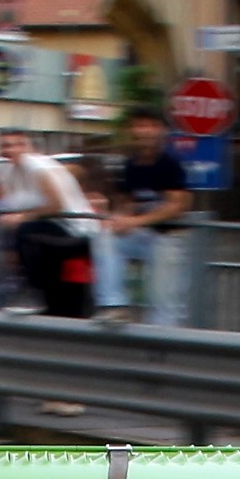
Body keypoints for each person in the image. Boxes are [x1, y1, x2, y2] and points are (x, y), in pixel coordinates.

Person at [97, 107, 193, 327]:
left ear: (160, 131)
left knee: (163, 301)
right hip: (143, 235)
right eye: (139, 125)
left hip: (168, 239)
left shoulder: (170, 164)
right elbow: (128, 202)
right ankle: (114, 305)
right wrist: (117, 219)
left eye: (149, 125)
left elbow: (177, 206)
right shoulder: (131, 165)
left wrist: (134, 222)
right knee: (105, 237)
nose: (143, 131)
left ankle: (164, 347)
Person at [0, 129, 99, 321]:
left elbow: (56, 205)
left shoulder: (36, 166)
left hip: (74, 229)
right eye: (4, 145)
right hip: (47, 230)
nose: (8, 150)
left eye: (15, 144)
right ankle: (39, 296)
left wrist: (23, 217)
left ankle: (31, 291)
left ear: (27, 147)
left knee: (26, 230)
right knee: (22, 234)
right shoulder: (6, 172)